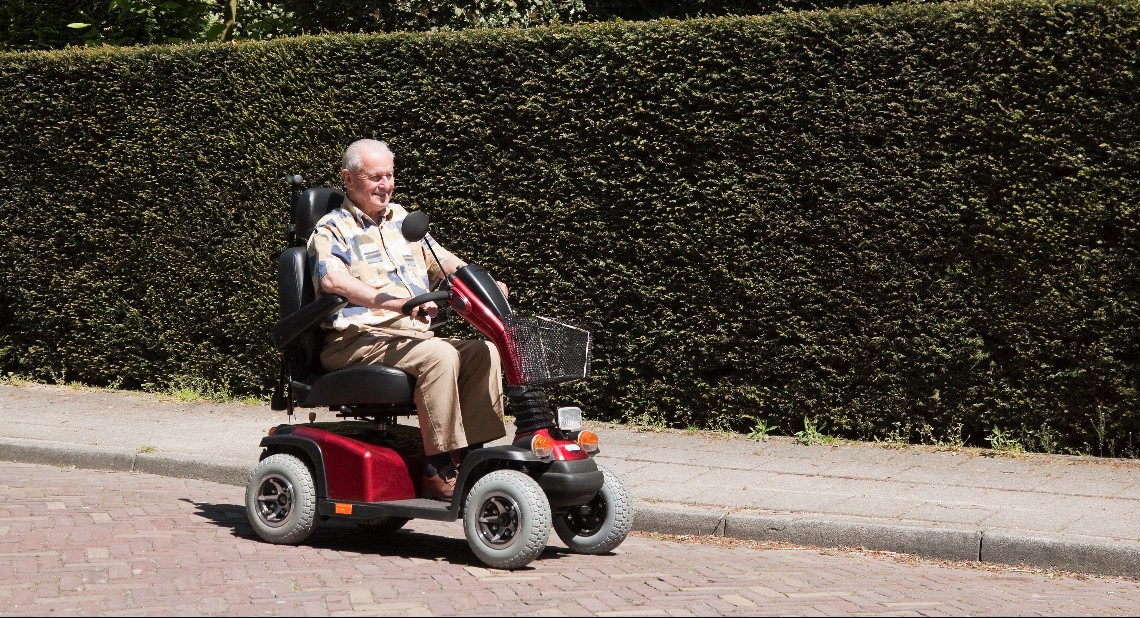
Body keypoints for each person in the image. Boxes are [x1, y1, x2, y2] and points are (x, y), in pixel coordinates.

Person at [307, 138, 508, 501]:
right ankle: (438, 468)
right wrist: (398, 303)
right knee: (441, 356)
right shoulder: (332, 228)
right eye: (374, 177)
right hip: (355, 339)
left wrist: (485, 283)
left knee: (483, 352)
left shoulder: (402, 220)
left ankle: (475, 459)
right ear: (348, 178)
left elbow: (444, 261)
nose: (385, 185)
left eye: (390, 175)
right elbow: (333, 280)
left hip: (409, 337)